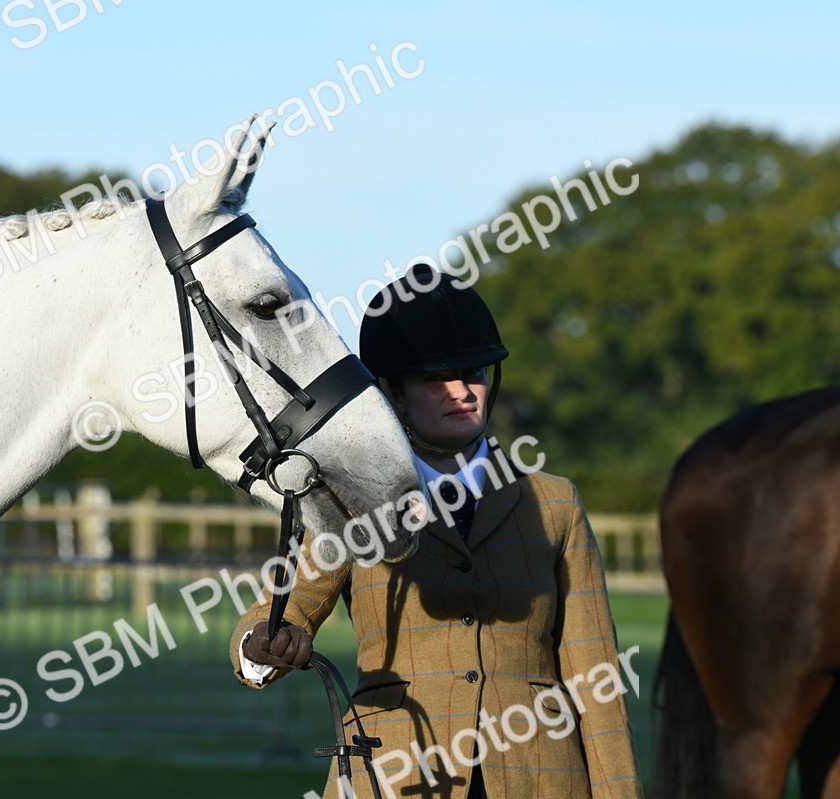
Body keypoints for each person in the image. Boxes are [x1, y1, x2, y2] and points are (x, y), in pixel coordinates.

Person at [230, 264, 643, 799]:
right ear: (395, 395)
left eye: (472, 374)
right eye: (435, 379)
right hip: (397, 770)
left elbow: (596, 676)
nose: (462, 392)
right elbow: (281, 609)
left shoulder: (556, 503)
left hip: (540, 774)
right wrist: (262, 643)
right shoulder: (352, 500)